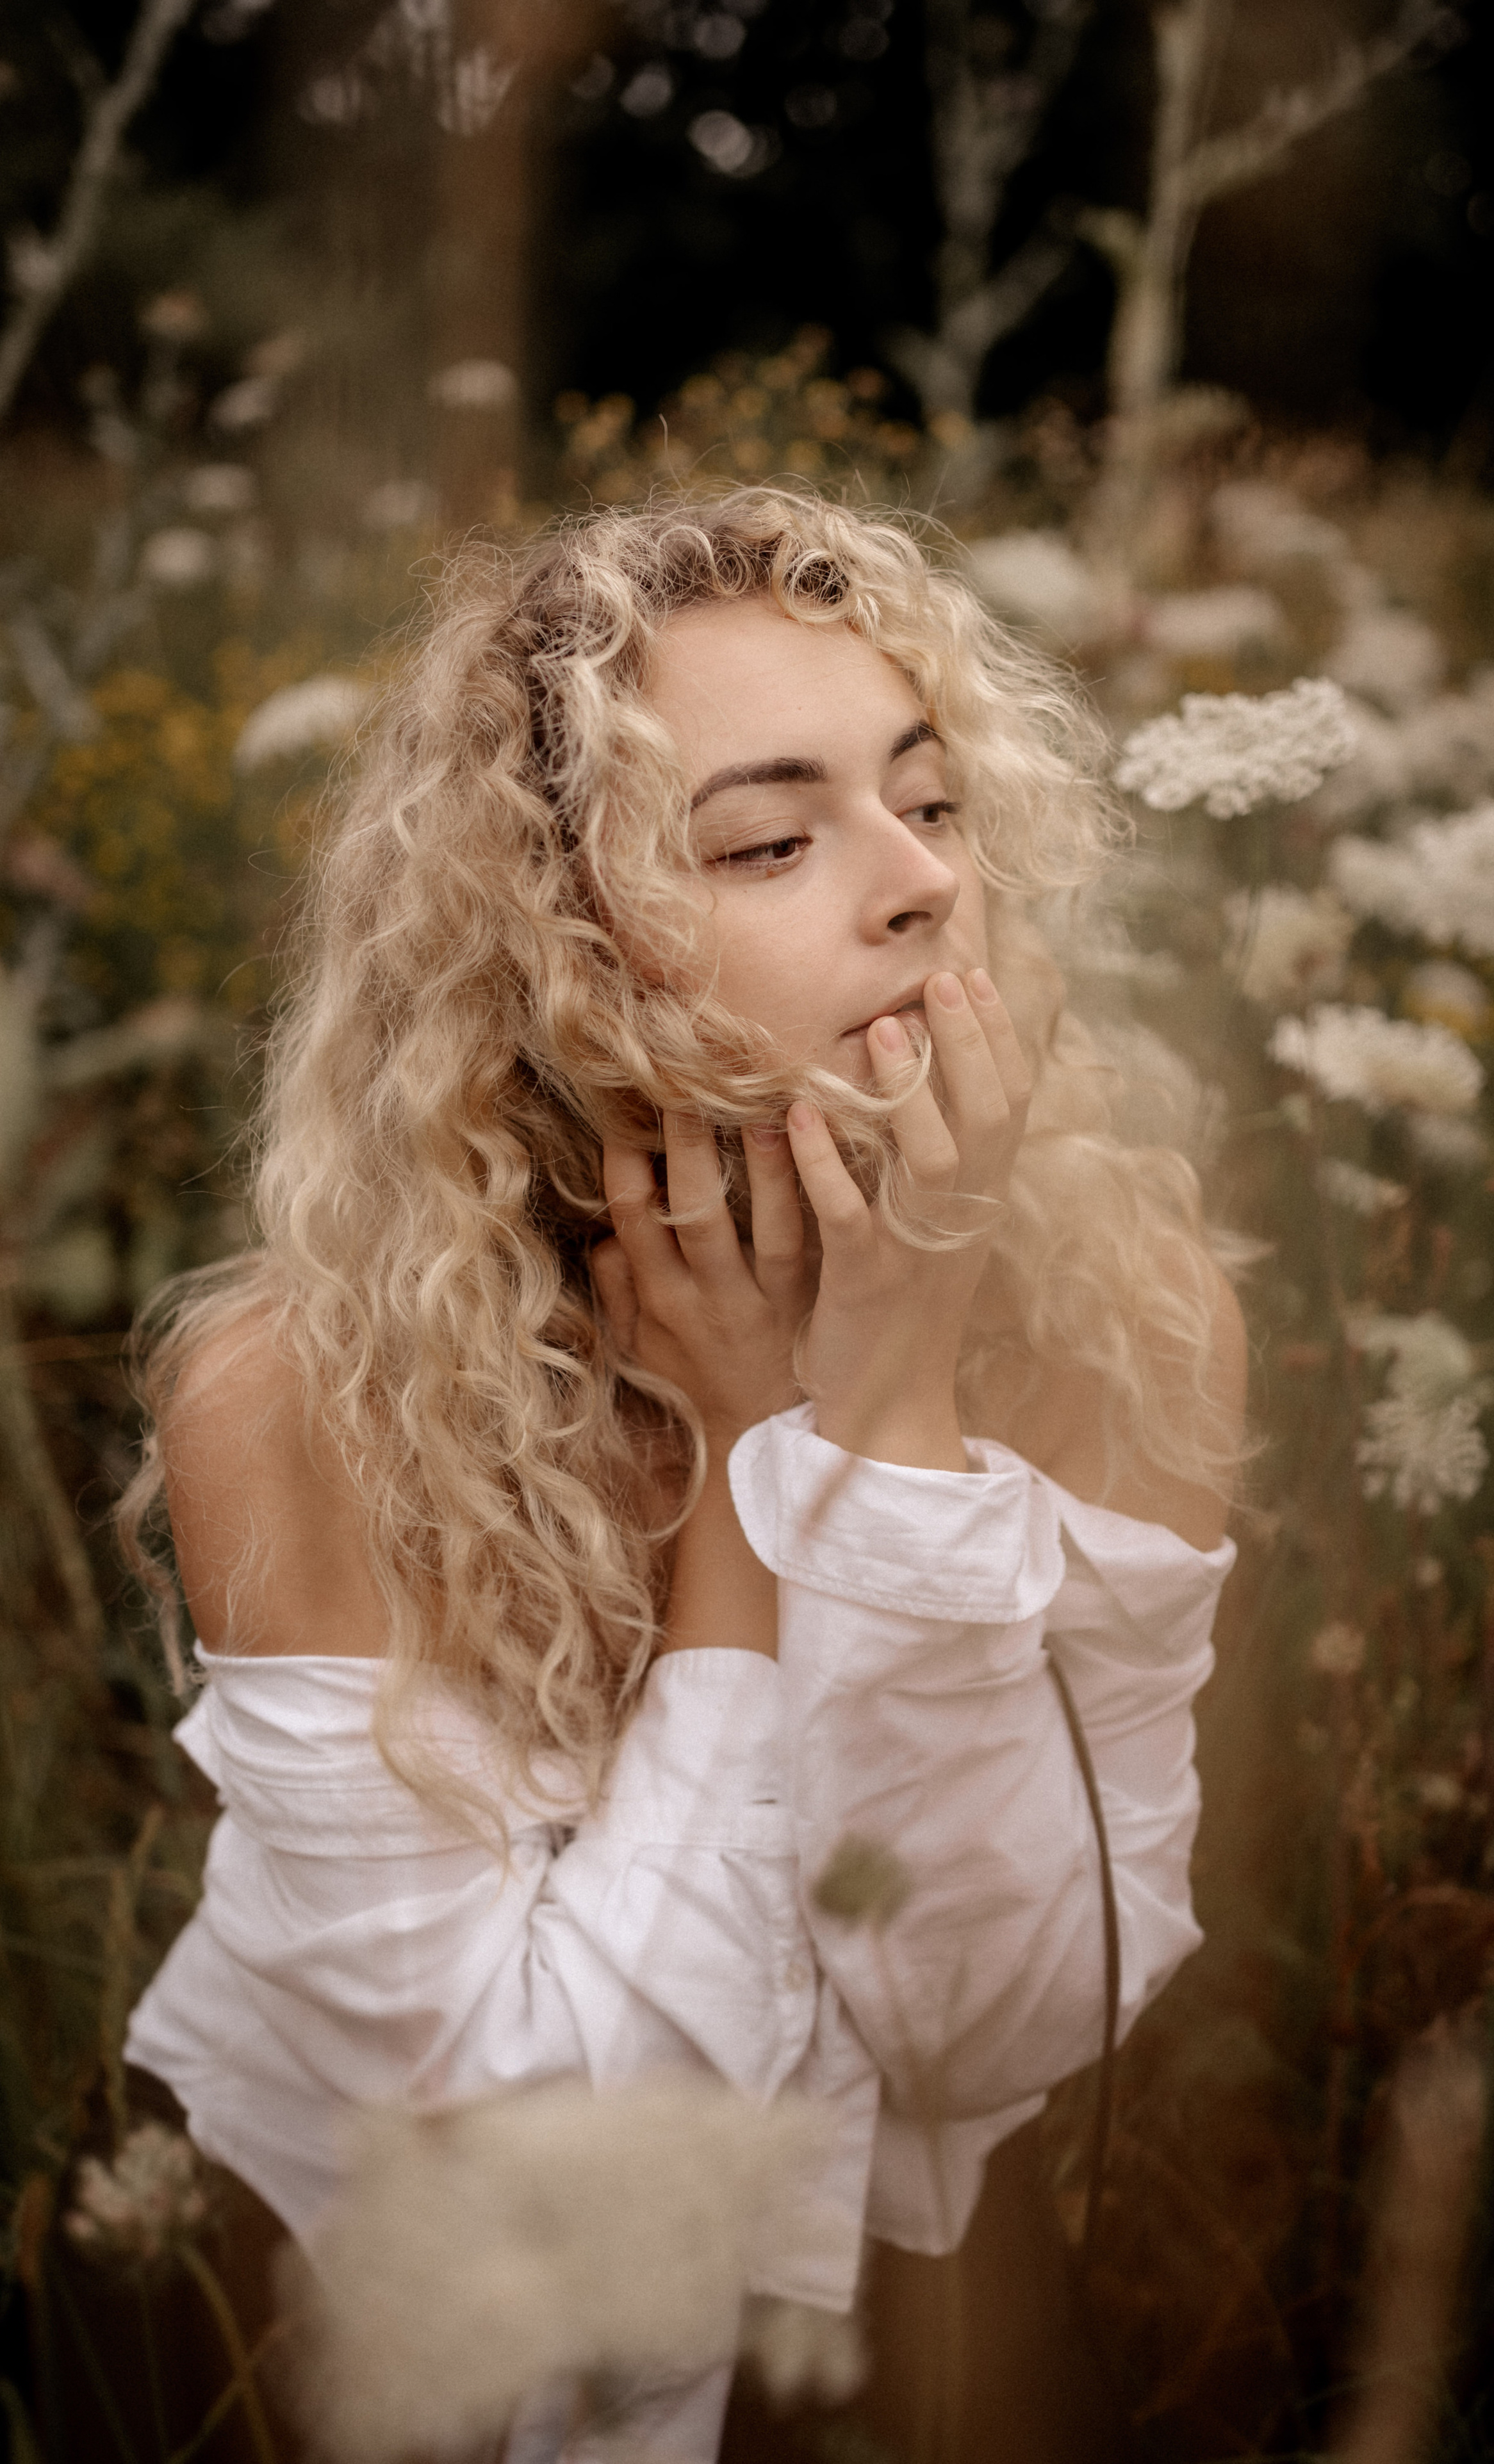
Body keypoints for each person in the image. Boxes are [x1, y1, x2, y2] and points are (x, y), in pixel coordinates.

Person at [118, 489, 1246, 2462]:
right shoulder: (302, 1397)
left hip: (927, 2343)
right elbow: (545, 2230)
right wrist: (742, 1477)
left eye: (932, 802)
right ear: (553, 942)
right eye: (772, 841)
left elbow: (997, 2024)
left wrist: (885, 1409)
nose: (922, 883)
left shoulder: (1121, 1320)